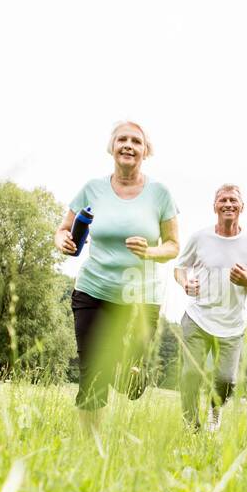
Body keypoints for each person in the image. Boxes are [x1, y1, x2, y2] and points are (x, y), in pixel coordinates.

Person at [55, 121, 179, 432]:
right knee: (91, 374)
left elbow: (173, 246)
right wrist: (63, 241)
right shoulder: (92, 189)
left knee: (131, 380)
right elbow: (62, 231)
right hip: (92, 291)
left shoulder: (160, 194)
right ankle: (90, 448)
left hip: (140, 297)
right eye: (121, 139)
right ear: (112, 148)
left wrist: (150, 252)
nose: (128, 145)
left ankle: (122, 372)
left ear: (145, 151)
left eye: (136, 141)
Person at [174, 184, 247, 430]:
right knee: (191, 374)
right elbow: (179, 268)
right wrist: (185, 282)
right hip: (198, 317)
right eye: (222, 200)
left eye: (233, 200)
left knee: (226, 380)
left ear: (242, 207)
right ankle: (190, 425)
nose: (228, 204)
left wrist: (246, 281)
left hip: (232, 325)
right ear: (214, 206)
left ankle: (216, 412)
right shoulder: (200, 238)